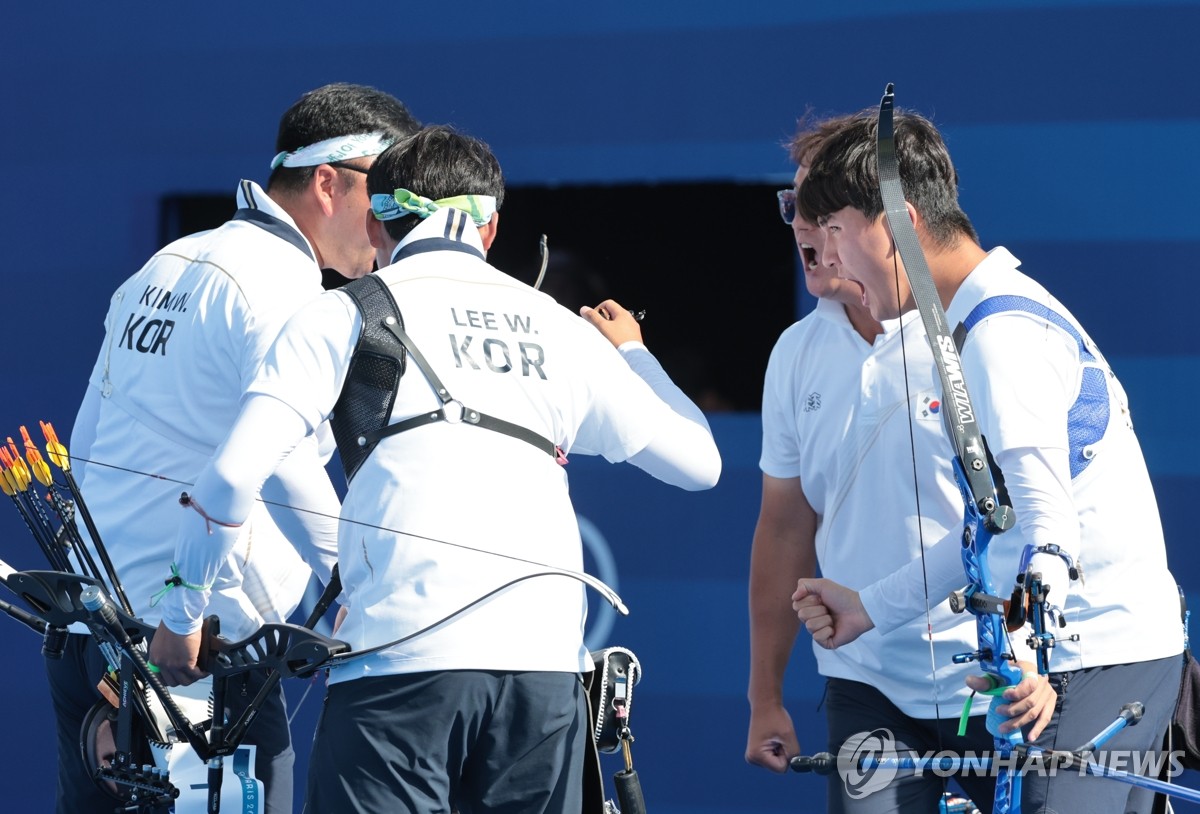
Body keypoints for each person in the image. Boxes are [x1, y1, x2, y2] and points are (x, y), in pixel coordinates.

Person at [147, 124, 722, 813]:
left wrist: (179, 618)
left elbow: (232, 478)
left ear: (376, 223)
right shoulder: (564, 330)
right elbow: (701, 463)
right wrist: (632, 351)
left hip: (396, 671)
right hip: (542, 678)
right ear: (491, 229)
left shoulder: (338, 313)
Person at [791, 109, 1183, 813]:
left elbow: (1044, 521)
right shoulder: (975, 323)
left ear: (898, 224)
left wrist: (1027, 647)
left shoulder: (998, 335)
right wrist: (869, 608)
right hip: (1088, 650)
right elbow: (994, 521)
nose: (832, 261)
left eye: (838, 234)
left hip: (1089, 655)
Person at [50, 82, 420, 814]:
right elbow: (281, 465)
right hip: (191, 657)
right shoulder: (284, 288)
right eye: (386, 196)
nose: (391, 225)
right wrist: (365, 589)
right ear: (327, 183)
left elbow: (85, 445)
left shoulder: (167, 263)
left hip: (96, 634)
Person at [745, 116, 1045, 813]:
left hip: (998, 677)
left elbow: (1034, 512)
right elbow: (785, 527)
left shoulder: (979, 332)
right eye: (794, 208)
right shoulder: (794, 354)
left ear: (883, 222)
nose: (802, 228)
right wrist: (765, 695)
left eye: (822, 212)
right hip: (867, 686)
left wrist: (1033, 655)